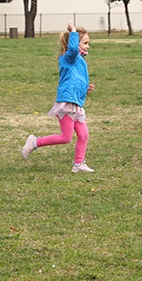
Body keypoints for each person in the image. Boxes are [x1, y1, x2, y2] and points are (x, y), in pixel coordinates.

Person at [22, 21, 95, 173]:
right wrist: (74, 31)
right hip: (67, 104)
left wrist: (85, 89)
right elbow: (73, 50)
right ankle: (34, 142)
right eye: (85, 43)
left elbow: (74, 81)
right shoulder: (68, 58)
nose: (88, 46)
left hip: (76, 104)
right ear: (74, 43)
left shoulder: (79, 61)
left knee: (83, 135)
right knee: (66, 137)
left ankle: (78, 164)